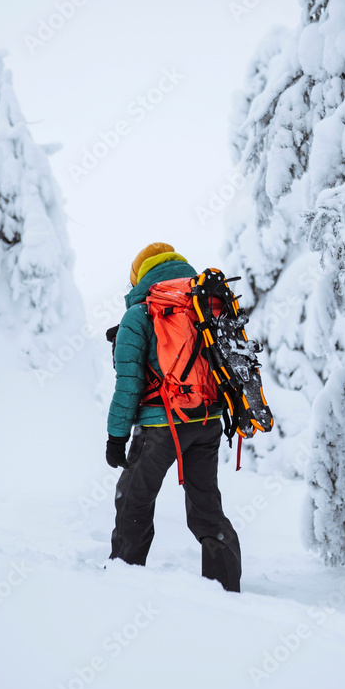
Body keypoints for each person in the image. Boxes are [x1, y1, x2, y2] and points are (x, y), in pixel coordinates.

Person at [106, 242, 242, 592]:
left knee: (134, 500)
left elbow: (129, 385)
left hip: (160, 427)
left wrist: (116, 438)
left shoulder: (139, 315)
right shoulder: (204, 304)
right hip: (207, 420)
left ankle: (123, 580)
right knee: (206, 506)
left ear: (139, 276)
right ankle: (225, 589)